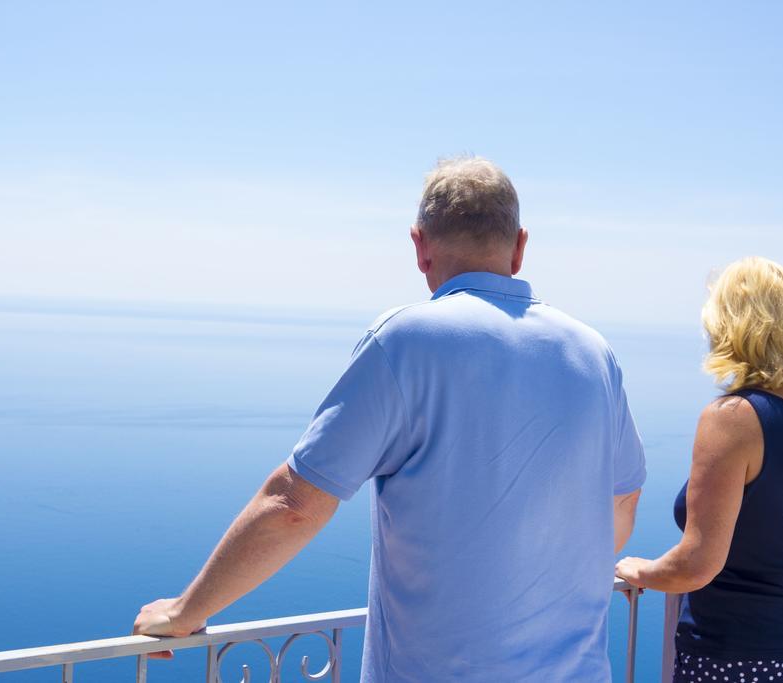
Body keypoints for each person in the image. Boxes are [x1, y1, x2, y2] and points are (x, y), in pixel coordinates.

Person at [133, 157, 646, 682]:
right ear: (519, 247)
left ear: (420, 247)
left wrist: (184, 612)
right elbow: (621, 502)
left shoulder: (408, 341)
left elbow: (294, 506)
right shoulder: (593, 352)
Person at [616, 257, 783, 683]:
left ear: (730, 327)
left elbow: (698, 564)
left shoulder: (735, 418)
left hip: (737, 652)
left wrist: (638, 571)